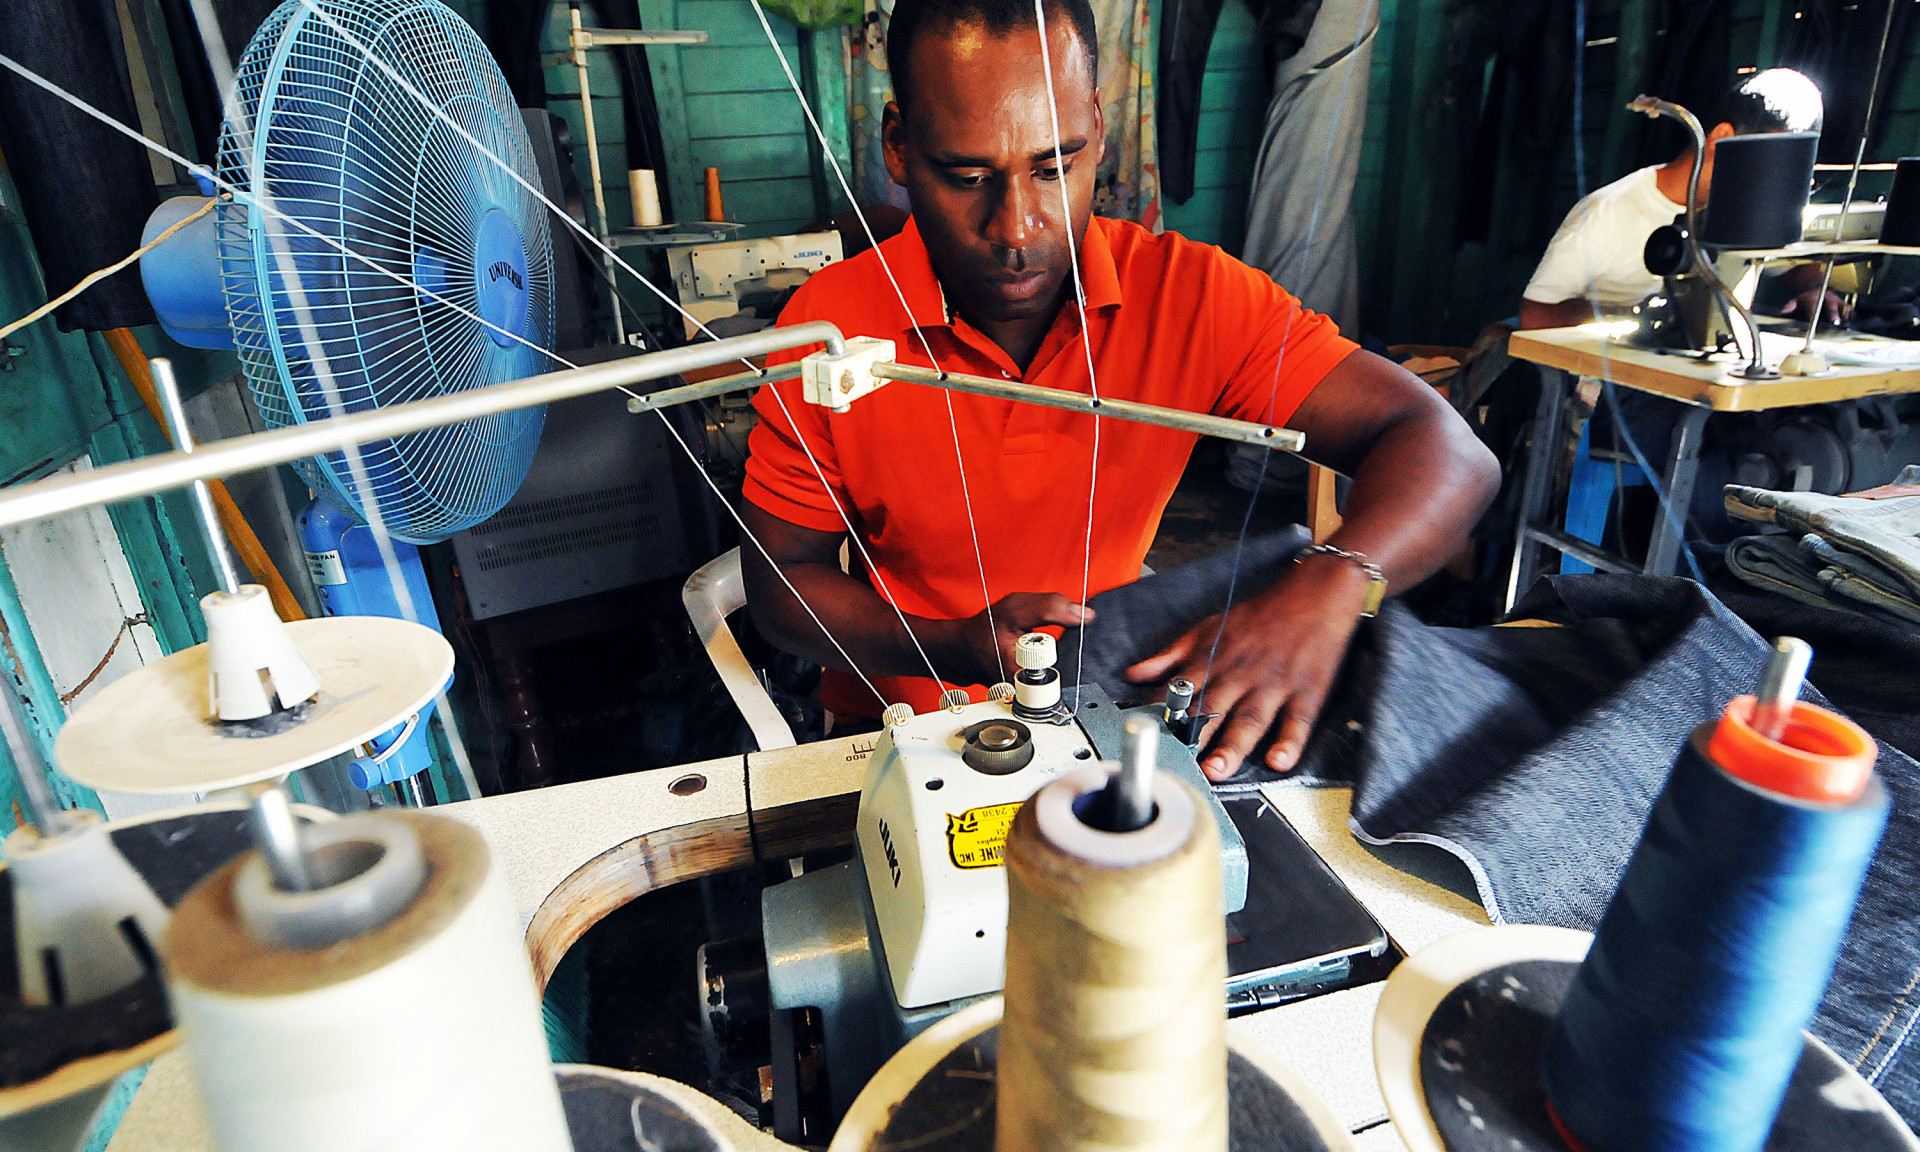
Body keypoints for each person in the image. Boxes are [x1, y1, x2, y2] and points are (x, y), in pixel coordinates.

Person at [737, 0, 1500, 781]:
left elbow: (1447, 449)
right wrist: (950, 645)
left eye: (1055, 166)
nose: (1017, 229)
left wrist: (1332, 586)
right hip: (904, 724)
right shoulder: (832, 331)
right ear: (898, 145)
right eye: (967, 177)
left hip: (1100, 697)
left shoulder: (1187, 297)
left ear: (1098, 129)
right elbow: (779, 582)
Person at [1519, 67, 1842, 331]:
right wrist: (1634, 317)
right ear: (1722, 138)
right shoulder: (1609, 211)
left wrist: (1814, 288)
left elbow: (1791, 268)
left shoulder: (1745, 212)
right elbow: (1536, 314)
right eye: (1771, 163)